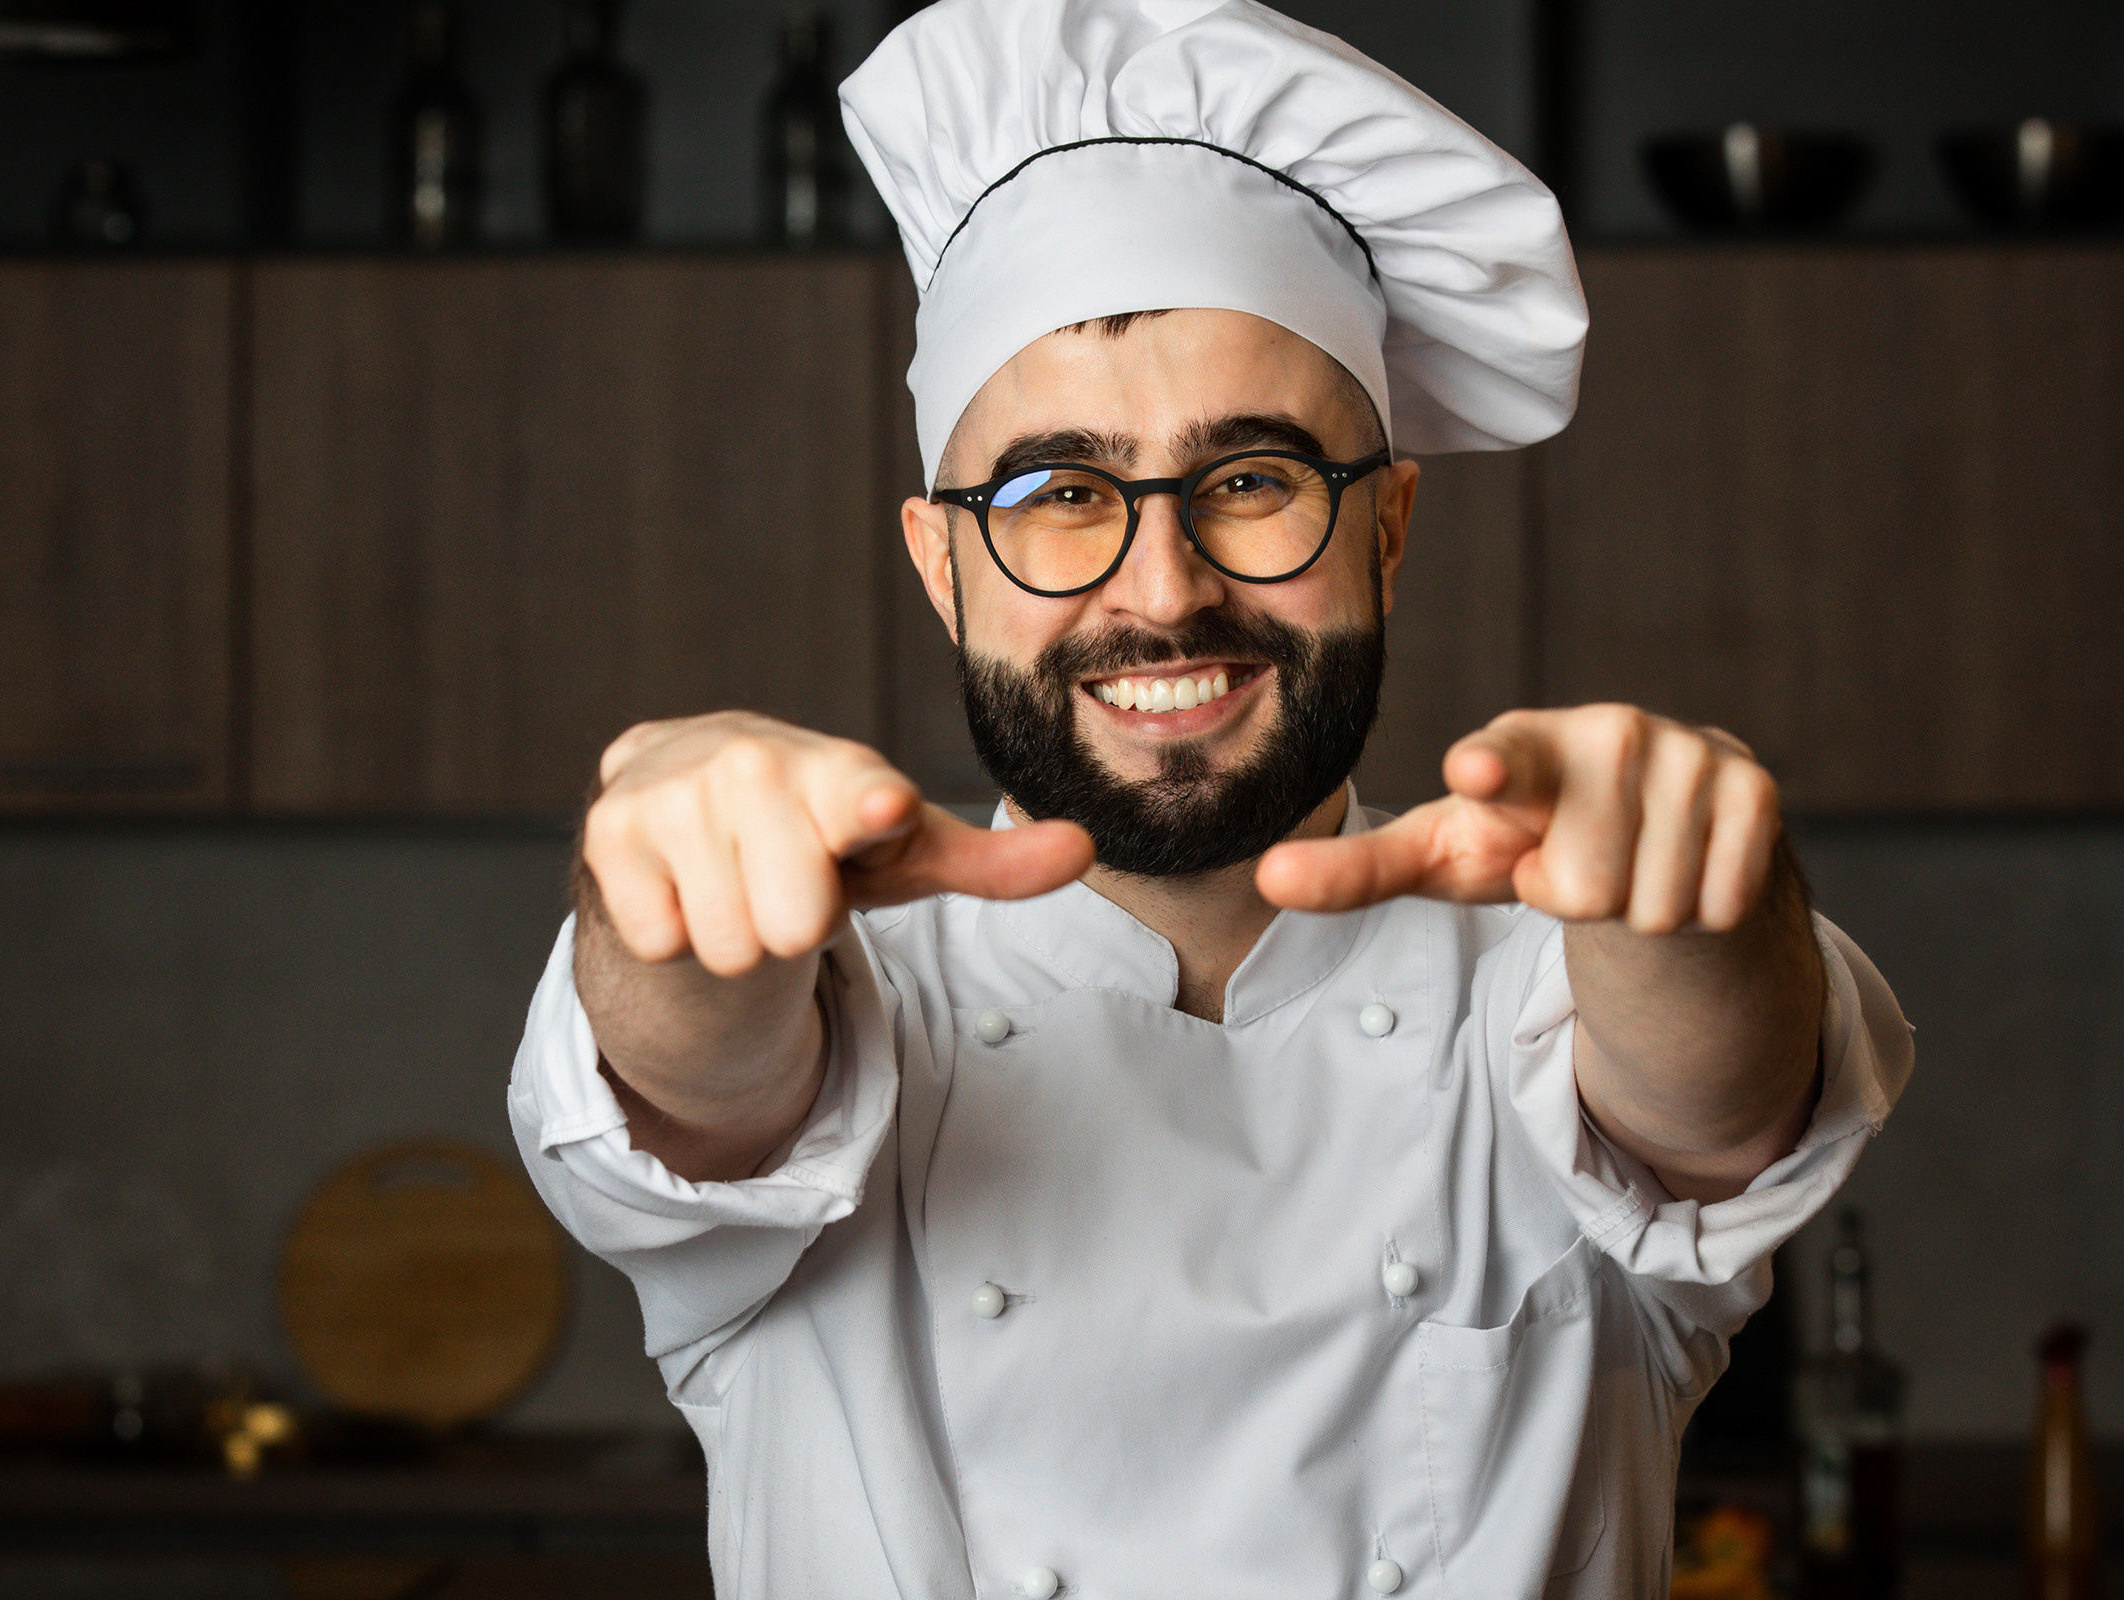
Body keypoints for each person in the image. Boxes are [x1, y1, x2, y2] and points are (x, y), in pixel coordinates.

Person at [509, 3, 1913, 1595]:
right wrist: (667, 904)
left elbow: (1715, 1112)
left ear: (1387, 529)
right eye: (1059, 494)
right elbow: (694, 1091)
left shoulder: (1553, 991)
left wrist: (1699, 906)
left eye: (1251, 480)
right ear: (943, 564)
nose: (1165, 590)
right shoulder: (835, 1011)